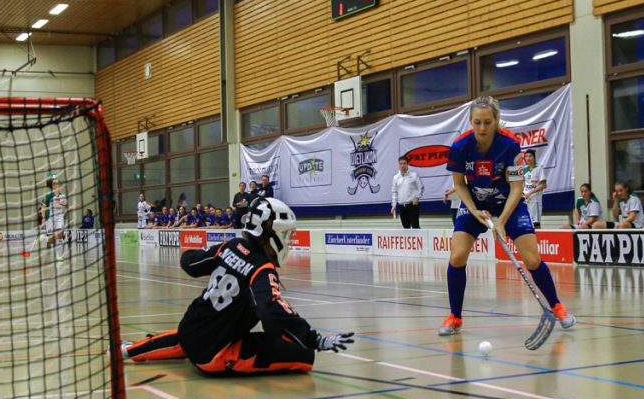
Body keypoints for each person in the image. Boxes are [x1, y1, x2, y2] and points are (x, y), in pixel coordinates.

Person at [120, 197, 354, 374]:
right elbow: (270, 311)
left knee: (193, 335)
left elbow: (190, 264)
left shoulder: (230, 246)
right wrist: (314, 339)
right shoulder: (262, 269)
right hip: (215, 354)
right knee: (304, 354)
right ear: (272, 234)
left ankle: (128, 349)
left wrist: (193, 253)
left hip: (190, 330)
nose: (289, 242)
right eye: (287, 236)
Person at [440, 95, 574, 337]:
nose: (482, 128)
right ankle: (455, 317)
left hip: (509, 202)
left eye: (487, 122)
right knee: (457, 256)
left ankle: (557, 306)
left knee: (532, 260)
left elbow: (516, 187)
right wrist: (474, 210)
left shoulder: (510, 145)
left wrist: (501, 221)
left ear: (497, 120)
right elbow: (459, 184)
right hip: (475, 202)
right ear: (470, 121)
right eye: (477, 122)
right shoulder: (459, 147)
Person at [391, 156, 424, 229]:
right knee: (406, 229)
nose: (402, 165)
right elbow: (394, 192)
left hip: (412, 205)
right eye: (401, 164)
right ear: (399, 165)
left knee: (415, 227)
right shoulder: (395, 178)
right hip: (402, 206)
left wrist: (417, 198)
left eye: (404, 163)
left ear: (407, 164)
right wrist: (394, 204)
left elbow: (421, 188)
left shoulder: (414, 175)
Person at [39, 174, 68, 258]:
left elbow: (65, 206)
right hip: (50, 218)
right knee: (51, 239)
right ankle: (45, 238)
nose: (56, 185)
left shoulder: (62, 196)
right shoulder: (48, 195)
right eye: (54, 183)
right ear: (51, 186)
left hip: (59, 217)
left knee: (60, 235)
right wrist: (43, 218)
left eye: (57, 183)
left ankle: (59, 256)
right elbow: (43, 207)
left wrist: (63, 204)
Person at [521, 148, 546, 227]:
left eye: (530, 156)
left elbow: (543, 185)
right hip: (525, 200)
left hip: (535, 201)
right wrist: (522, 193)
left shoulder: (539, 168)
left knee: (536, 224)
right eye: (526, 156)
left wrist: (531, 192)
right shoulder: (524, 169)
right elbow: (522, 184)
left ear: (534, 157)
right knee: (526, 224)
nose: (528, 158)